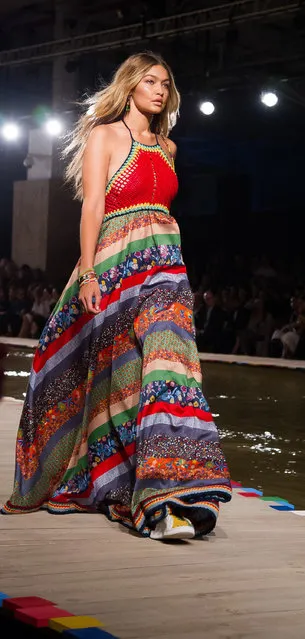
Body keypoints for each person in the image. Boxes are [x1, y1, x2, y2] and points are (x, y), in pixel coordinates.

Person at [1, 52, 232, 540]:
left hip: (166, 266)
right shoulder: (104, 135)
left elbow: (163, 211)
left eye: (166, 83)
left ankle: (175, 491)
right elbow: (93, 207)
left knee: (171, 367)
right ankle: (143, 501)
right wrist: (88, 274)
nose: (160, 90)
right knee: (121, 381)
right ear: (129, 86)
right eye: (150, 81)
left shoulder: (167, 146)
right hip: (115, 264)